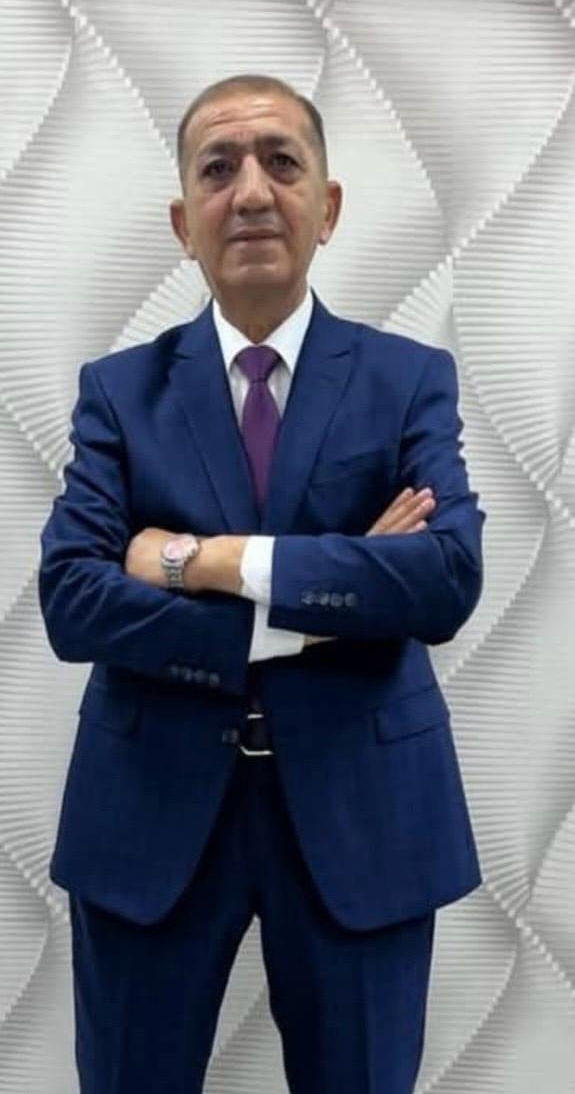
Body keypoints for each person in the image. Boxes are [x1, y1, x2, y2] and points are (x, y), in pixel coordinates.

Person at [38, 73, 485, 1094]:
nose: (249, 191)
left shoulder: (407, 380)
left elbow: (444, 577)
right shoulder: (118, 392)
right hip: (148, 816)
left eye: (281, 162)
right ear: (182, 223)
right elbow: (73, 598)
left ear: (327, 206)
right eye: (218, 168)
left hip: (363, 815)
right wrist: (325, 605)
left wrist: (201, 560)